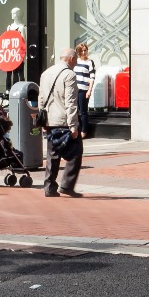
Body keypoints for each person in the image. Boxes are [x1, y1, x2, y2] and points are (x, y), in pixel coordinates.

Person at [39, 46, 85, 197]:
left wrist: (43, 122)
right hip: (64, 121)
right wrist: (74, 126)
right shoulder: (69, 75)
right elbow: (70, 102)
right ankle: (66, 185)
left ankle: (49, 187)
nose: (76, 63)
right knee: (76, 152)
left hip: (50, 120)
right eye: (76, 60)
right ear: (71, 59)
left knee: (53, 154)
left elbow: (41, 99)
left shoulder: (45, 73)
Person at [72, 41, 99, 138]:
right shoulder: (76, 61)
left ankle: (84, 131)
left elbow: (92, 77)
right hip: (75, 88)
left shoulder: (89, 62)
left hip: (84, 89)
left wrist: (89, 90)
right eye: (82, 51)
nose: (84, 53)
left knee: (83, 110)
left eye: (85, 50)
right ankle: (78, 129)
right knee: (76, 110)